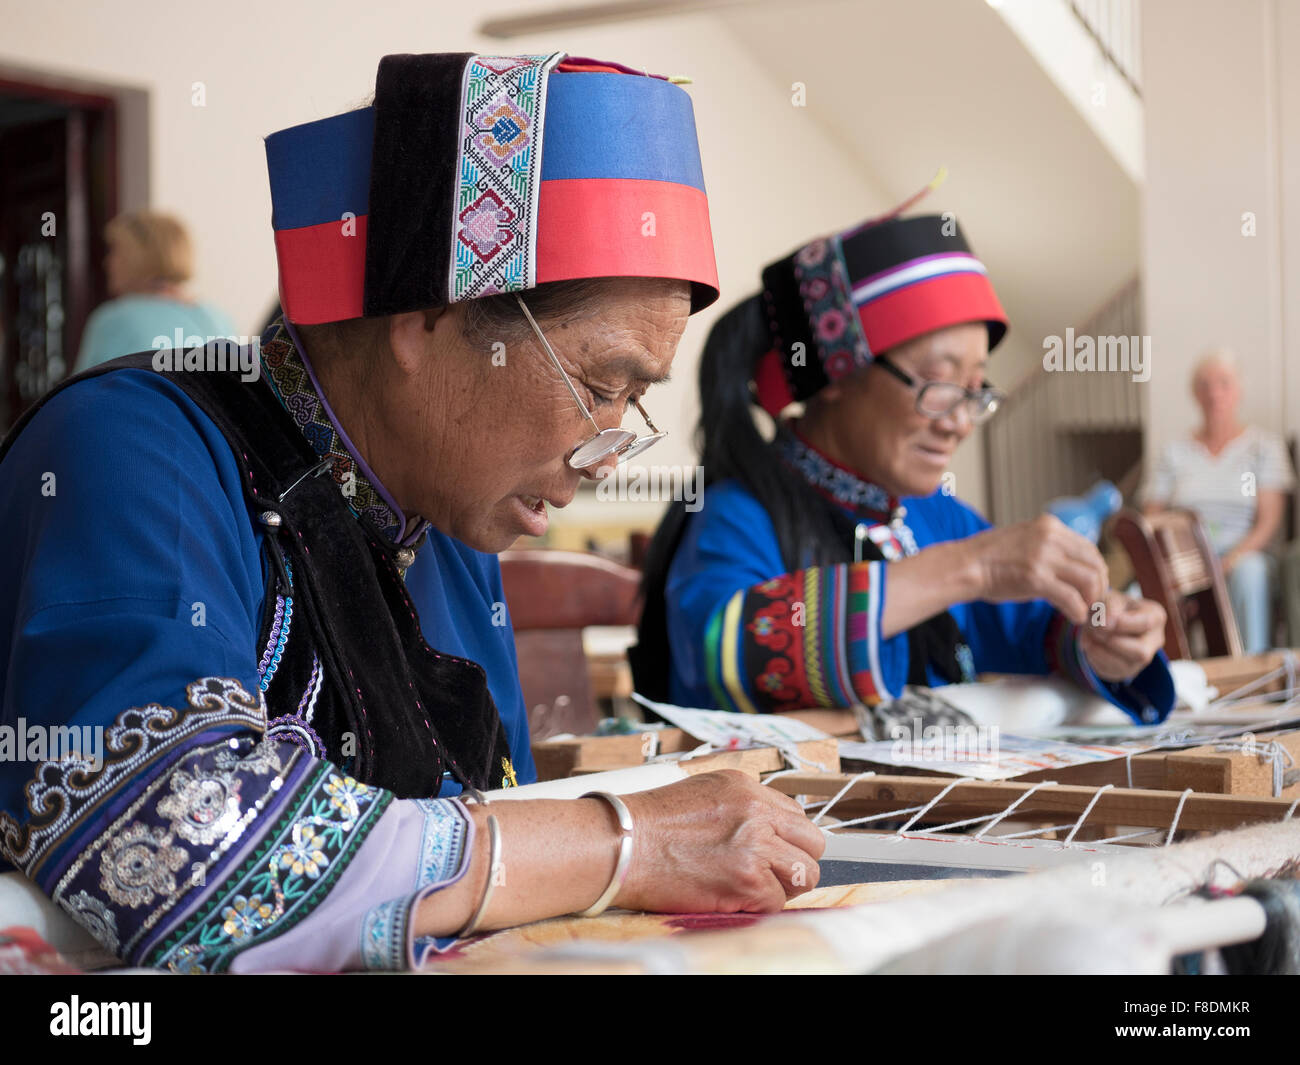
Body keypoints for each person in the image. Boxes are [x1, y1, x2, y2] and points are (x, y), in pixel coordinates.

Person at [0, 51, 822, 974]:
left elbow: (488, 812)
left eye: (633, 407)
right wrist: (622, 839)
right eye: (600, 386)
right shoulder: (134, 448)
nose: (606, 453)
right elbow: (177, 849)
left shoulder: (448, 518)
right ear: (425, 314)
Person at [633, 208, 1174, 728]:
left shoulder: (937, 518)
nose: (960, 422)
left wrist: (1103, 640)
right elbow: (729, 646)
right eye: (939, 385)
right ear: (839, 374)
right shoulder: (735, 512)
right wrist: (972, 567)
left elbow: (1037, 629)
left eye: (975, 392)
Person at [1143, 348, 1294, 654]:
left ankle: (1253, 675)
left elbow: (1269, 521)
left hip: (1244, 552)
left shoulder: (1263, 447)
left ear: (1238, 390)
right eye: (1204, 385)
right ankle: (1162, 677)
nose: (1214, 394)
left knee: (1250, 572)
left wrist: (1229, 560)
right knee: (1142, 586)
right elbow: (1151, 517)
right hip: (1187, 555)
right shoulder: (1173, 451)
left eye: (1223, 383)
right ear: (1194, 394)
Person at [74, 210, 238, 370]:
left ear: (135, 256)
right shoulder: (219, 318)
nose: (107, 262)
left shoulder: (114, 320)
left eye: (115, 251)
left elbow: (75, 394)